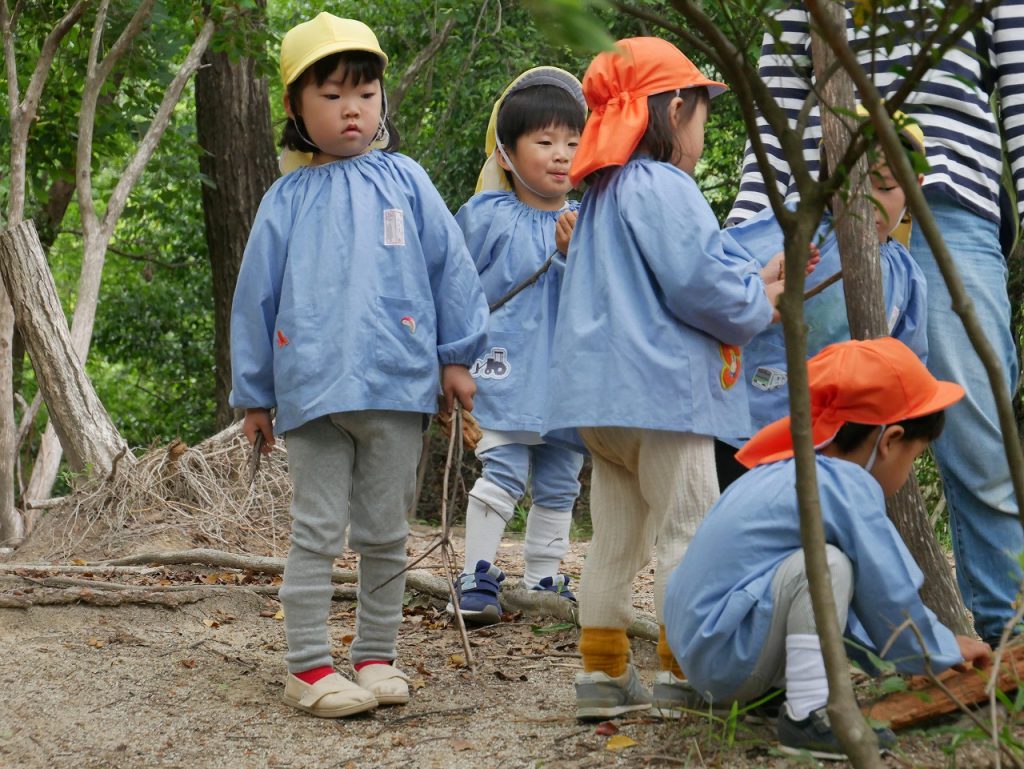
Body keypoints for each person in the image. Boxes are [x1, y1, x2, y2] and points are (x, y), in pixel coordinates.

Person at [728, 2, 1024, 645]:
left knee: (978, 427)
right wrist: (747, 247)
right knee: (814, 419)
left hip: (950, 200)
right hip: (824, 202)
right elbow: (777, 108)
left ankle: (1011, 638)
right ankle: (817, 636)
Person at [229, 13, 488, 718]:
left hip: (398, 386)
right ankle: (308, 666)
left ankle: (376, 655)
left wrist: (456, 358)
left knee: (384, 532)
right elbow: (256, 297)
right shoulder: (285, 199)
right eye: (333, 95)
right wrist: (254, 396)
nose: (353, 109)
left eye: (366, 94)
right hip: (312, 393)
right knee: (315, 530)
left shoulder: (407, 180)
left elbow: (450, 268)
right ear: (295, 106)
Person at [543, 37, 787, 720]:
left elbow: (661, 278)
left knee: (615, 539)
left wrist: (751, 279)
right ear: (676, 109)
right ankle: (686, 669)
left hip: (601, 404)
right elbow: (697, 281)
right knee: (689, 529)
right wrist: (758, 301)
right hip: (663, 398)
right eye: (702, 117)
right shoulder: (664, 185)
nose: (702, 137)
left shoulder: (601, 194)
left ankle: (602, 671)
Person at [665, 338, 993, 759]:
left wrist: (920, 655)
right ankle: (809, 715)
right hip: (725, 656)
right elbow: (887, 588)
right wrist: (937, 650)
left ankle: (779, 696)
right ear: (890, 441)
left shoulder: (788, 469)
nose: (908, 471)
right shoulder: (844, 483)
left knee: (822, 569)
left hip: (709, 651)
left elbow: (853, 609)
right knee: (827, 565)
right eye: (914, 457)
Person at [715, 110, 929, 489]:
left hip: (831, 449)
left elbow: (909, 364)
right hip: (744, 428)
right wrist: (761, 280)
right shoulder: (795, 228)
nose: (868, 202)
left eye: (885, 187)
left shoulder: (906, 277)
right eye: (855, 185)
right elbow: (716, 271)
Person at [450, 68, 588, 624]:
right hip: (502, 375)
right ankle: (476, 573)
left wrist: (578, 255)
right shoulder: (485, 217)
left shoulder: (591, 221)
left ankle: (544, 581)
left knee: (560, 480)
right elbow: (454, 288)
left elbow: (606, 299)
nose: (561, 155)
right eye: (545, 141)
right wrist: (448, 359)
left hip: (567, 382)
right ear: (506, 155)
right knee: (503, 470)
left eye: (573, 143)